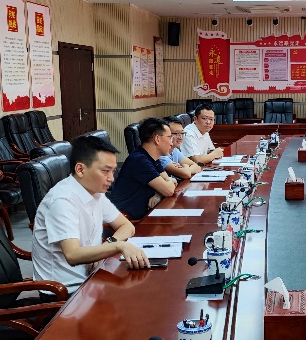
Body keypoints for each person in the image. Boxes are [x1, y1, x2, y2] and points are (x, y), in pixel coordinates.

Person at [32, 135, 149, 293]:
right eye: (105, 171)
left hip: (93, 278)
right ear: (80, 169)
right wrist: (118, 245)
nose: (111, 178)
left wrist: (105, 248)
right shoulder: (62, 200)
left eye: (113, 171)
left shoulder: (95, 192)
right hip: (66, 292)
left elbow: (126, 226)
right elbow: (72, 255)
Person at [108, 117, 178, 219]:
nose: (171, 143)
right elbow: (169, 190)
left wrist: (158, 193)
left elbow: (169, 182)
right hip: (127, 221)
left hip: (144, 216)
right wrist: (166, 184)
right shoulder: (139, 160)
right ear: (157, 139)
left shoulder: (151, 157)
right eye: (169, 137)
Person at [159, 116, 203, 181]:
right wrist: (185, 168)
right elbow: (185, 174)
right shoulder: (161, 155)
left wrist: (186, 169)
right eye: (176, 133)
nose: (180, 137)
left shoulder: (175, 150)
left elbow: (197, 166)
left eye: (182, 133)